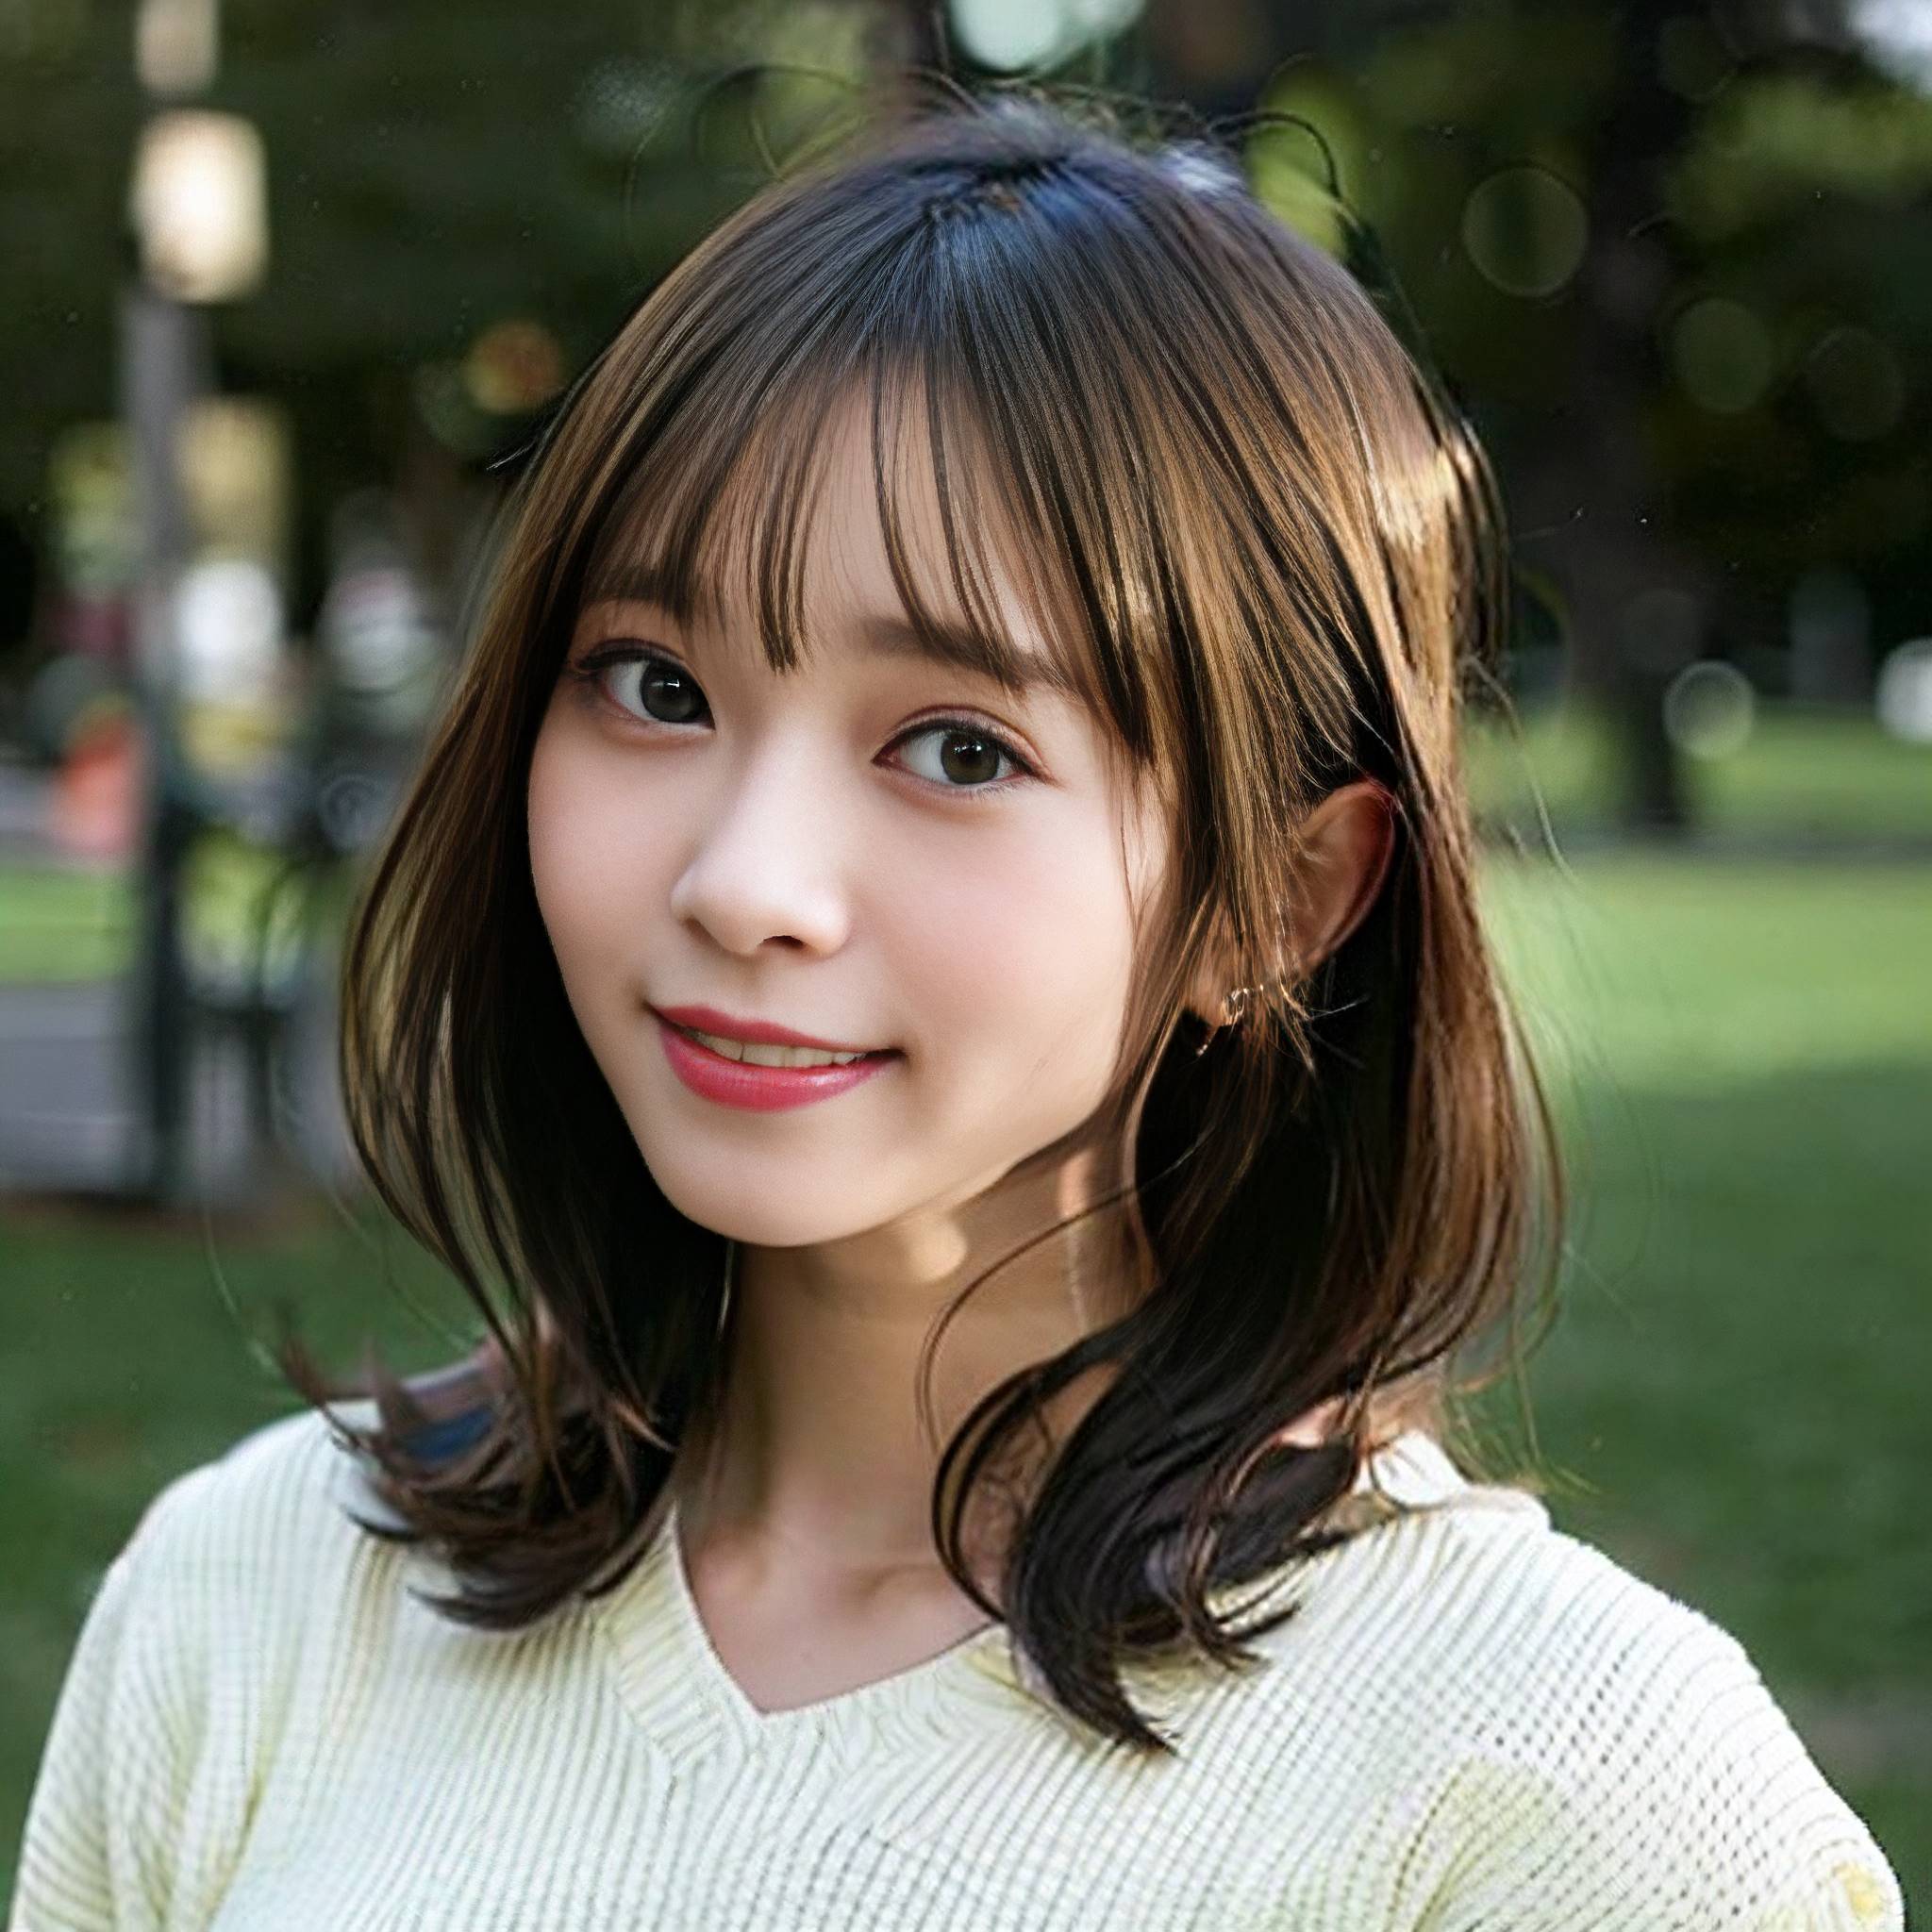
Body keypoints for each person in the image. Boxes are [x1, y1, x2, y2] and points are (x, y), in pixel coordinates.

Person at [8, 92, 1904, 1932]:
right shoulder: (257, 1592)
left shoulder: (1566, 1799)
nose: (745, 879)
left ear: (1284, 896)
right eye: (656, 687)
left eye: (953, 744)